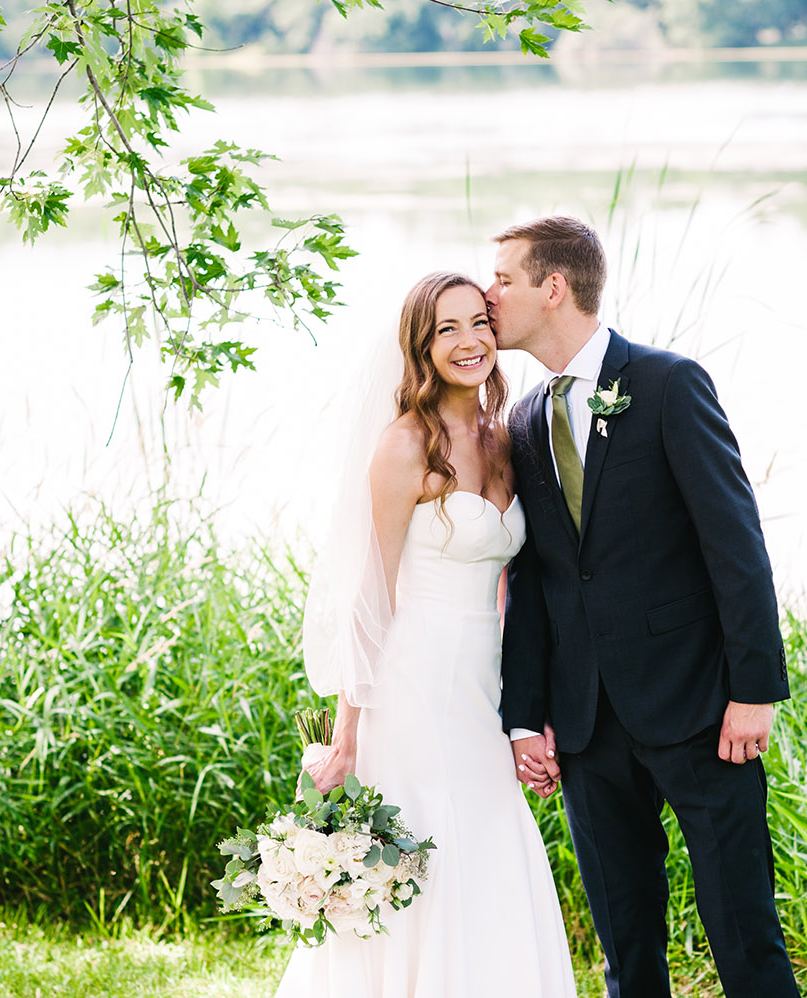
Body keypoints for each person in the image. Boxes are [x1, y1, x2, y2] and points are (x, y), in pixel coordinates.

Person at [490, 216, 801, 998]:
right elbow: (535, 581)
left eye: (502, 280)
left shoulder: (668, 384)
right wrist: (529, 716)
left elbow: (736, 544)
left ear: (552, 287)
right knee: (627, 948)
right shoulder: (524, 421)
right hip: (588, 728)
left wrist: (755, 690)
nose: (489, 296)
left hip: (700, 711)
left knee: (744, 934)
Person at [277, 271, 577, 998]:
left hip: (481, 682)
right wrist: (348, 734)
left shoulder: (504, 439)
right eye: (447, 329)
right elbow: (369, 594)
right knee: (425, 845)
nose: (469, 341)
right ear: (421, 344)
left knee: (489, 838)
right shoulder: (405, 446)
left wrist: (528, 711)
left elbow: (517, 590)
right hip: (411, 679)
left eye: (479, 322)